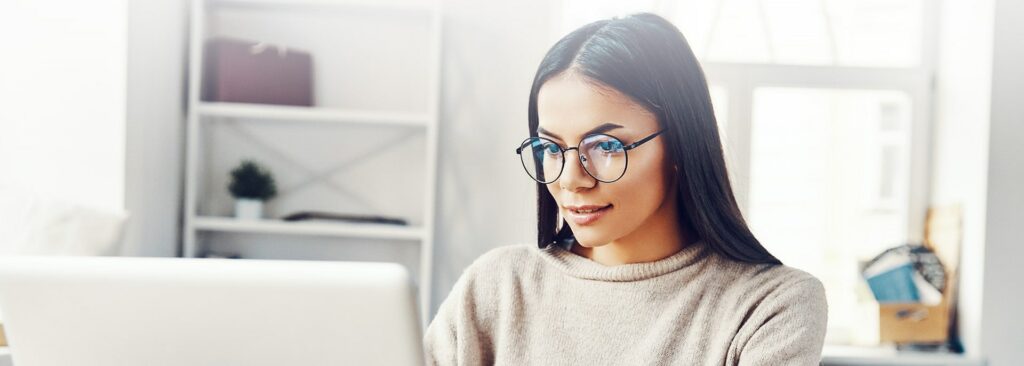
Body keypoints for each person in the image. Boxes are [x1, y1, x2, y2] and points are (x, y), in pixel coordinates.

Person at [424, 13, 827, 365]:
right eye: (550, 147)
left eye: (604, 146)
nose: (570, 179)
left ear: (680, 145)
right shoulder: (497, 286)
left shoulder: (770, 306)